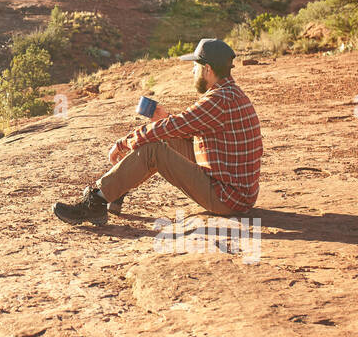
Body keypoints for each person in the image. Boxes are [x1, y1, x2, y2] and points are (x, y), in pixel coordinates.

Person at [52, 38, 262, 225]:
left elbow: (173, 126)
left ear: (207, 69)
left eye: (195, 66)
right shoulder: (230, 94)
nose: (192, 71)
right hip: (235, 191)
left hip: (226, 198)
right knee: (163, 138)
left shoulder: (218, 100)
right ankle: (115, 192)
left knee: (154, 149)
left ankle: (95, 203)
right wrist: (166, 119)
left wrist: (124, 143)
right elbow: (187, 128)